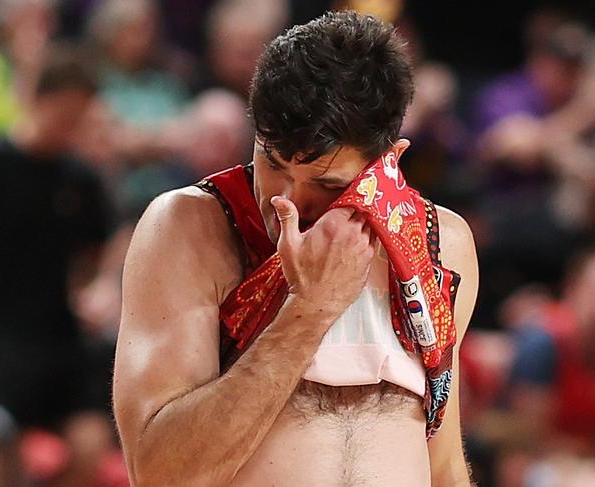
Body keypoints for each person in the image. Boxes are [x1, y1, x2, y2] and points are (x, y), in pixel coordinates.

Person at [114, 11, 478, 486]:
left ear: (388, 164)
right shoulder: (190, 228)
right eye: (273, 162)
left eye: (326, 183)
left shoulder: (440, 242)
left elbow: (443, 464)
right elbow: (161, 475)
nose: (288, 200)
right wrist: (309, 309)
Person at [0, 45, 115, 487]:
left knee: (91, 440)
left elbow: (105, 246)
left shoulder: (80, 178)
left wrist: (98, 287)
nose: (71, 127)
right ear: (40, 100)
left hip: (58, 337)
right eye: (66, 114)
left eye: (81, 117)